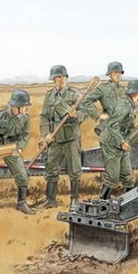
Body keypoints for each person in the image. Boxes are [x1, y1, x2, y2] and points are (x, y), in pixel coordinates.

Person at [40, 65, 84, 208]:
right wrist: (46, 134)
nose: (61, 79)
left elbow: (85, 112)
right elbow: (44, 117)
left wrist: (76, 115)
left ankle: (75, 200)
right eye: (58, 77)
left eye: (63, 77)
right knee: (51, 169)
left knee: (75, 170)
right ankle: (51, 200)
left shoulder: (74, 94)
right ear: (53, 79)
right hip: (55, 139)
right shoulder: (49, 96)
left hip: (71, 138)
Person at [98, 80, 138, 200]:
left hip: (121, 142)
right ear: (136, 93)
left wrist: (137, 132)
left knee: (127, 177)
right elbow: (112, 125)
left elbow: (126, 123)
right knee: (113, 178)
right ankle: (101, 203)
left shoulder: (129, 104)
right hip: (111, 142)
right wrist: (121, 142)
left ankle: (128, 202)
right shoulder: (123, 106)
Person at [80, 61, 126, 136]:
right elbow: (86, 101)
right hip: (107, 126)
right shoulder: (102, 88)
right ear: (110, 74)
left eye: (120, 73)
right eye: (115, 73)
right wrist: (98, 115)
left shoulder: (123, 90)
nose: (118, 75)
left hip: (122, 126)